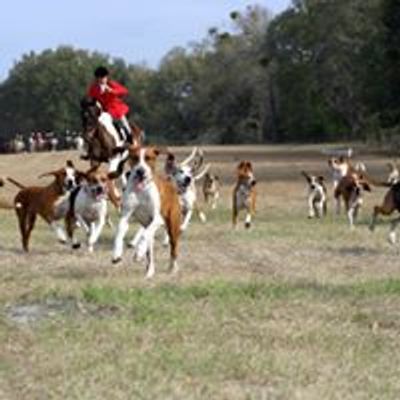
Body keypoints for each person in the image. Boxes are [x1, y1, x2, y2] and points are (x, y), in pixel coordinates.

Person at [87, 66, 132, 143]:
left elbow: (124, 91)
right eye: (99, 78)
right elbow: (90, 97)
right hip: (103, 111)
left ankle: (130, 138)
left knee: (123, 123)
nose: (101, 80)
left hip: (116, 109)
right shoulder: (94, 88)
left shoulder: (111, 84)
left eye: (103, 78)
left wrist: (112, 91)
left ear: (106, 77)